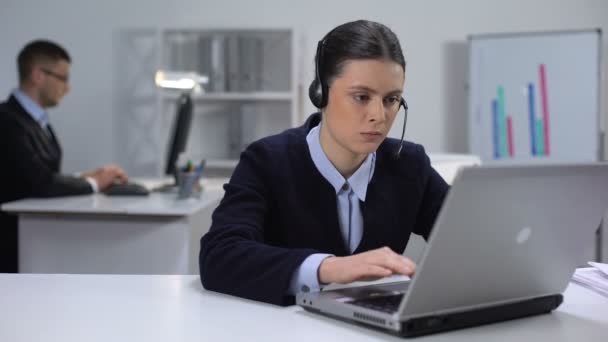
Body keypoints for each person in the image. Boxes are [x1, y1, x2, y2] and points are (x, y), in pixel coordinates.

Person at [199, 20, 449, 306]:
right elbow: (219, 256)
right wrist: (328, 269)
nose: (379, 116)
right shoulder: (267, 160)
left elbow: (470, 234)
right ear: (321, 92)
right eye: (361, 97)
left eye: (391, 99)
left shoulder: (409, 165)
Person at [0, 40, 129, 272]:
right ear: (38, 75)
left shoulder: (36, 121)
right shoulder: (6, 121)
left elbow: (37, 173)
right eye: (63, 78)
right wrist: (93, 182)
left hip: (30, 243)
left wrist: (85, 176)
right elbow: (39, 183)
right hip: (12, 249)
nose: (67, 88)